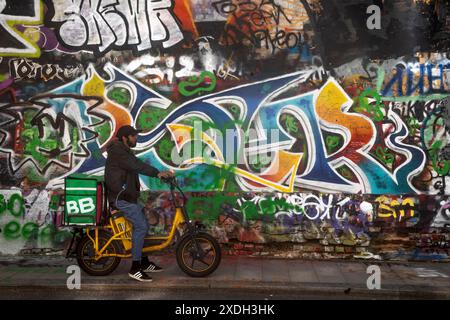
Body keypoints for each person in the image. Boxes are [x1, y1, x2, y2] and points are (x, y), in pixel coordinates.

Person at [104, 125, 174, 282]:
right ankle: (135, 268)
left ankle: (143, 262)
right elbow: (136, 166)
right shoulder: (118, 151)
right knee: (141, 226)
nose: (136, 138)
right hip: (119, 199)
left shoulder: (124, 151)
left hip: (127, 197)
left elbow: (136, 164)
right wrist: (157, 173)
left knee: (143, 225)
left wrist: (160, 173)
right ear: (125, 138)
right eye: (134, 136)